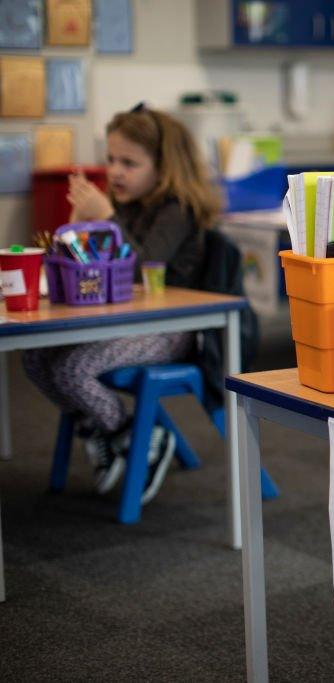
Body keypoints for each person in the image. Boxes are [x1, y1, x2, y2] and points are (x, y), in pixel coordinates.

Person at [23, 103, 220, 505]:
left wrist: (107, 217)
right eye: (111, 159)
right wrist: (82, 225)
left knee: (72, 368)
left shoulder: (176, 210)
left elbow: (140, 269)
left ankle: (138, 436)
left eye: (129, 163)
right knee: (35, 359)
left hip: (172, 330)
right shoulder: (130, 205)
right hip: (127, 323)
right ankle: (115, 431)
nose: (114, 171)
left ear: (163, 168)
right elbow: (95, 270)